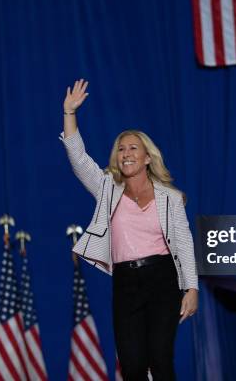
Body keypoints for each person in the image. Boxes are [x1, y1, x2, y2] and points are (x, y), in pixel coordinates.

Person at [60, 79, 198, 380]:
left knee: (161, 360)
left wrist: (192, 288)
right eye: (121, 149)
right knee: (133, 366)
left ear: (147, 157)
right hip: (126, 281)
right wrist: (69, 113)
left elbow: (184, 243)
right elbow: (79, 160)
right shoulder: (107, 187)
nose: (126, 153)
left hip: (163, 278)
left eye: (133, 147)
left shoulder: (169, 198)